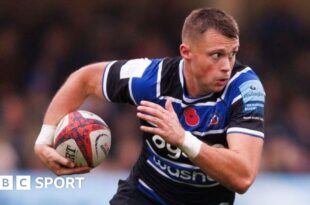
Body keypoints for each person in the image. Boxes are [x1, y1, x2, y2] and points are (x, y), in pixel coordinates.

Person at [34, 8, 265, 205]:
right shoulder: (152, 78)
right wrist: (44, 139)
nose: (227, 66)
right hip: (146, 194)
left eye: (232, 54)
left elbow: (242, 177)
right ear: (186, 52)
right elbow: (83, 79)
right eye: (216, 55)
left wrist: (183, 139)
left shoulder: (244, 88)